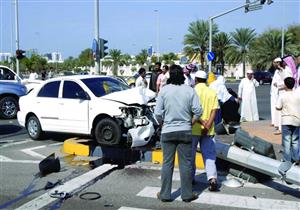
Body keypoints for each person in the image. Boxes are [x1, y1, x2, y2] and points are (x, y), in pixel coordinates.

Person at [154, 64, 202, 202]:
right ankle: (187, 194)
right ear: (182, 75)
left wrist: (163, 124)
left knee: (167, 163)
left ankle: (165, 194)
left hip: (168, 131)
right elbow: (198, 110)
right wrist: (191, 122)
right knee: (185, 164)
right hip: (185, 131)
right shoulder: (189, 90)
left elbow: (157, 113)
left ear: (169, 76)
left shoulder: (164, 91)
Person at [191, 70, 219, 191]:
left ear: (196, 79)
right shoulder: (212, 92)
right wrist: (207, 125)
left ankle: (190, 178)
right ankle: (212, 178)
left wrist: (201, 122)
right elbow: (214, 110)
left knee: (190, 155)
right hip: (209, 129)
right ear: (206, 80)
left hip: (193, 128)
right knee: (209, 155)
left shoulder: (192, 92)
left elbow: (191, 111)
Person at [276, 77, 300, 163]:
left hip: (286, 121)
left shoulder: (282, 95)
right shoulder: (298, 94)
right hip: (297, 120)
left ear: (285, 85)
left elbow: (278, 107)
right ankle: (296, 159)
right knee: (295, 141)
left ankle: (287, 160)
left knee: (286, 141)